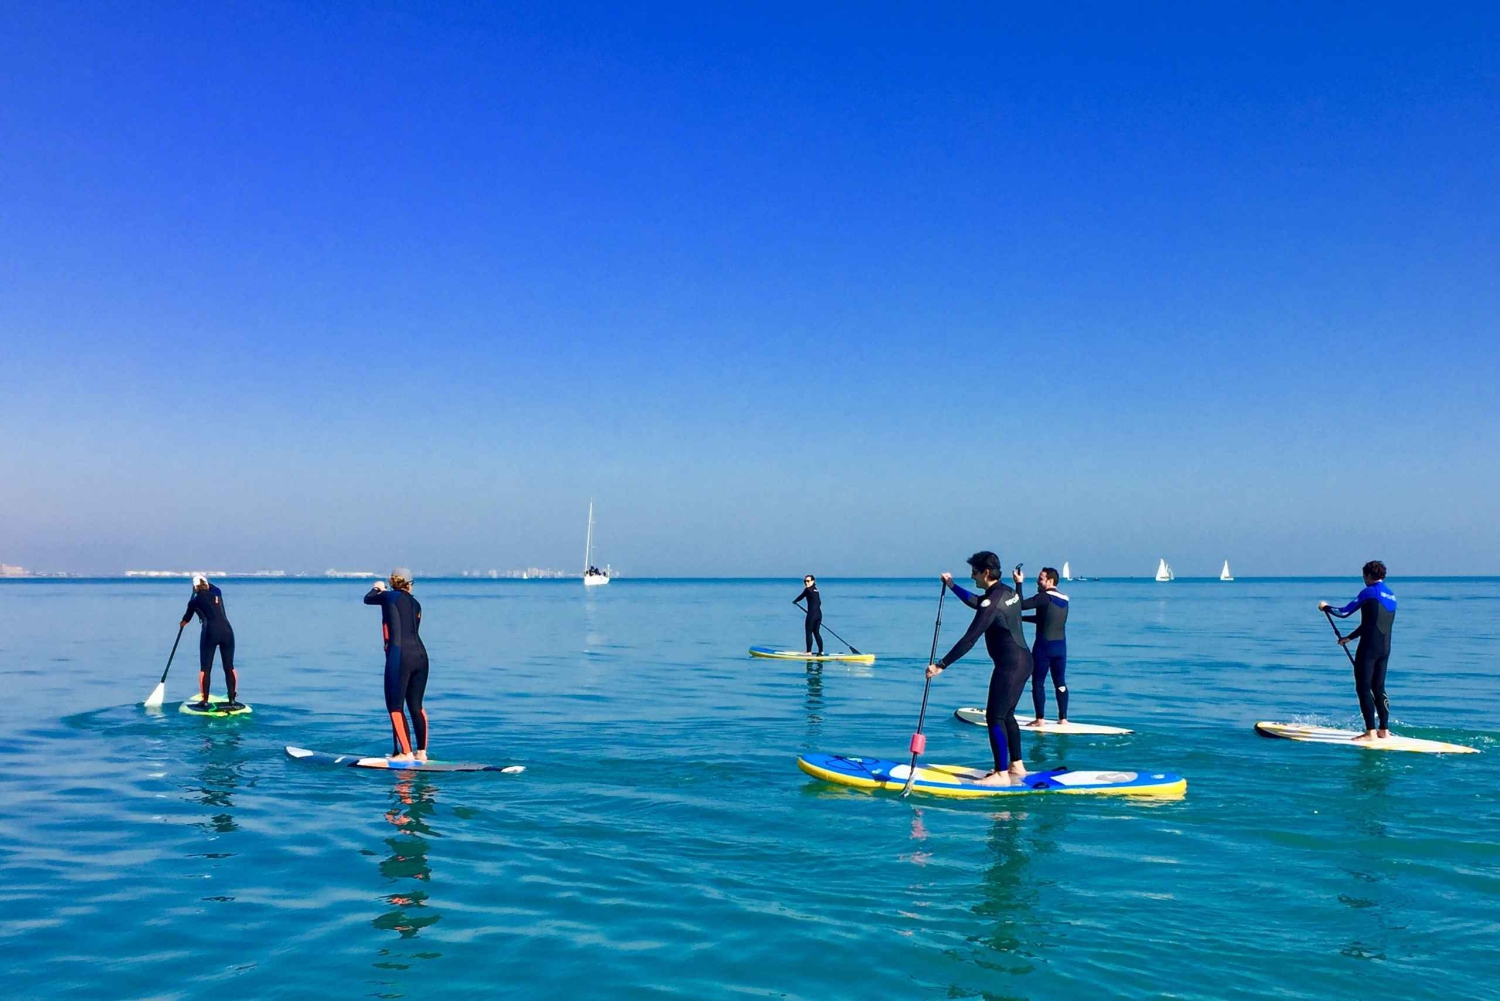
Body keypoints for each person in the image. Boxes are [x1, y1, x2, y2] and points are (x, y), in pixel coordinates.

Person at [925, 551, 1033, 786]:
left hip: (1010, 665)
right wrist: (952, 585)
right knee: (1008, 715)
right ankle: (1016, 765)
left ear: (985, 572)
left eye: (974, 573)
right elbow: (978, 602)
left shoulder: (991, 602)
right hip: (1025, 661)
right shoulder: (1007, 592)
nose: (972, 577)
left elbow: (970, 638)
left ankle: (1001, 774)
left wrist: (942, 664)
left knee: (994, 716)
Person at [1319, 560, 1397, 742]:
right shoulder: (1391, 595)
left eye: (1364, 576)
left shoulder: (1369, 592)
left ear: (1369, 575)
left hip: (1369, 648)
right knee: (1378, 688)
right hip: (1385, 648)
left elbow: (1344, 612)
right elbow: (1372, 623)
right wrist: (1350, 637)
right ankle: (1384, 731)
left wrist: (1325, 607)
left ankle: (1370, 733)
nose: (1363, 579)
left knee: (1363, 688)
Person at [365, 568, 430, 762]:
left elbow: (368, 599)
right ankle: (422, 753)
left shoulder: (388, 597)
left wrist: (377, 588)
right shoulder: (417, 604)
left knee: (395, 706)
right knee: (416, 706)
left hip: (399, 656)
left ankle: (406, 754)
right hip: (421, 657)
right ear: (409, 585)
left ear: (393, 583)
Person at [1015, 566, 1070, 725]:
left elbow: (1019, 604)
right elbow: (1046, 619)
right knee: (1060, 682)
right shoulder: (1064, 599)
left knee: (1038, 683)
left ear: (1050, 581)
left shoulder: (1043, 597)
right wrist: (1022, 619)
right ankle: (1063, 719)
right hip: (1061, 648)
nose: (1037, 582)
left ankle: (1040, 719)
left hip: (1043, 648)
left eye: (1040, 579)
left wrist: (1019, 583)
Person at [180, 573, 239, 709]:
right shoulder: (217, 593)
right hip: (228, 632)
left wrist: (182, 623)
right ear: (207, 585)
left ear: (195, 588)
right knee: (229, 667)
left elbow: (186, 619)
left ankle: (204, 700)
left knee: (205, 669)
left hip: (210, 633)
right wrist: (204, 583)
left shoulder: (194, 602)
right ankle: (232, 699)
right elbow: (213, 587)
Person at [794, 575, 824, 655]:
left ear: (813, 581)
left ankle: (808, 652)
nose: (806, 583)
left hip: (812, 615)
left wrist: (795, 601)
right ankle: (821, 651)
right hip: (819, 614)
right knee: (816, 633)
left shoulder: (808, 590)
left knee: (808, 632)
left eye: (808, 581)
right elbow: (819, 602)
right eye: (805, 581)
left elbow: (801, 597)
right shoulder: (816, 590)